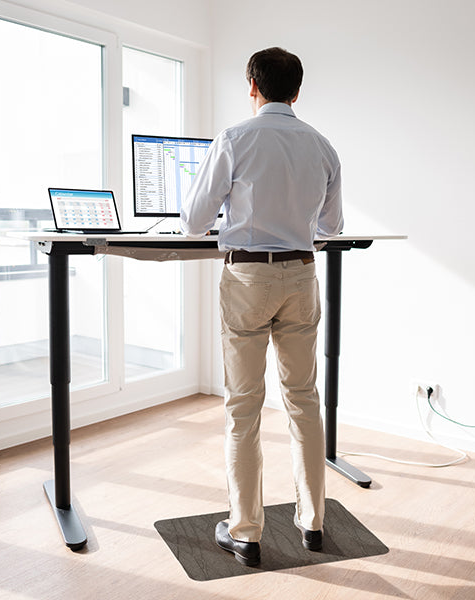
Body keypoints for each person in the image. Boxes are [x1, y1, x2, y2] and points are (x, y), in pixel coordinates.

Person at [180, 47, 343, 567]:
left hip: (248, 276)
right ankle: (313, 523)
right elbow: (331, 229)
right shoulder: (322, 147)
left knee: (243, 407)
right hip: (301, 275)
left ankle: (246, 532)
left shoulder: (233, 139)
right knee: (303, 399)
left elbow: (193, 221)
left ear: (252, 85)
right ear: (297, 91)